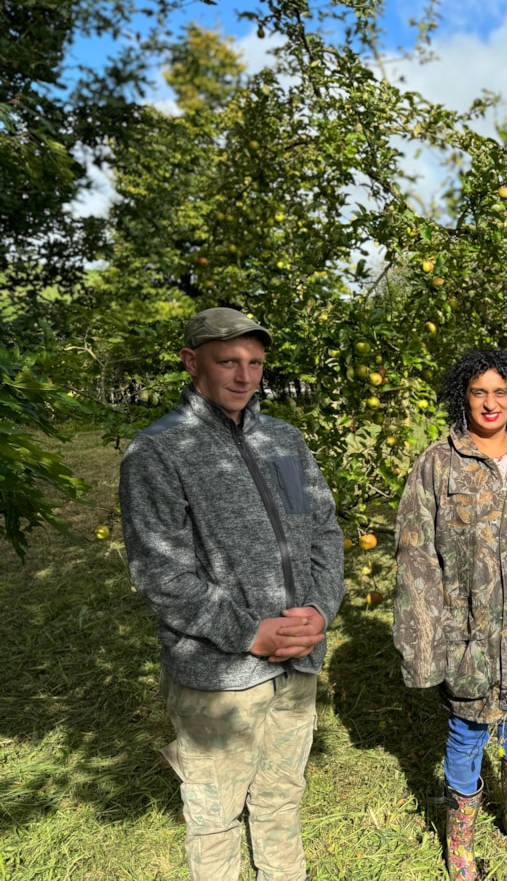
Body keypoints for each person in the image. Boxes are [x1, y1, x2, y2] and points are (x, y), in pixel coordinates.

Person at [119, 307, 345, 881]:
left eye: (255, 364)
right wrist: (250, 632)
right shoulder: (160, 452)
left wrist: (320, 609)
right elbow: (161, 573)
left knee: (280, 799)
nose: (244, 377)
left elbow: (317, 527)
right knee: (215, 817)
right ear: (192, 363)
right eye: (228, 362)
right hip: (220, 679)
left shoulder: (284, 442)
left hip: (298, 663)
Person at [392, 349, 507, 881]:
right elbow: (416, 557)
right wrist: (422, 645)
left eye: (499, 392)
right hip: (466, 631)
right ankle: (460, 840)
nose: (489, 403)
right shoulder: (438, 463)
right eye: (478, 392)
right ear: (462, 397)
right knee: (467, 734)